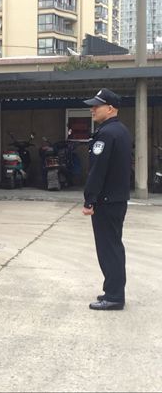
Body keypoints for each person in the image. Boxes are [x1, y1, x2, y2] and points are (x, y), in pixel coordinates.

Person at [82, 88, 132, 311]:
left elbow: (98, 171)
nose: (92, 109)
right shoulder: (121, 131)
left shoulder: (106, 134)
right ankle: (113, 290)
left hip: (106, 200)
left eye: (97, 106)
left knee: (108, 249)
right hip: (117, 199)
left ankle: (114, 296)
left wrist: (89, 199)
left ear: (110, 108)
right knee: (114, 246)